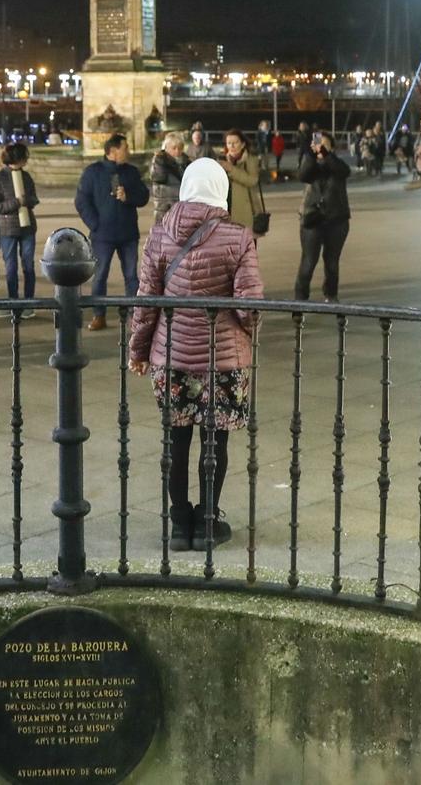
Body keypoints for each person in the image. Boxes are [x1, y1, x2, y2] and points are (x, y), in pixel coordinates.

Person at [129, 160, 263, 552]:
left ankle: (178, 523)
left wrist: (138, 350)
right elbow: (249, 309)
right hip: (221, 359)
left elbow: (146, 301)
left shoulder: (159, 234)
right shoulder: (238, 238)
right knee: (214, 440)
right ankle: (207, 521)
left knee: (176, 439)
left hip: (169, 356)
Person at [74, 134, 149, 331]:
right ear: (113, 151)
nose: (129, 151)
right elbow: (82, 201)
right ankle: (99, 315)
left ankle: (135, 315)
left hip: (128, 233)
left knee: (132, 276)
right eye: (126, 148)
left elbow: (143, 197)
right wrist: (95, 224)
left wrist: (129, 197)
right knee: (100, 276)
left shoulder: (131, 172)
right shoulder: (93, 172)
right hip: (103, 236)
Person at [294, 131, 352, 303]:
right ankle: (300, 297)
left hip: (337, 220)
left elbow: (343, 171)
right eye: (317, 143)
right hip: (312, 220)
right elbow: (303, 175)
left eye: (325, 144)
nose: (320, 146)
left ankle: (331, 294)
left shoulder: (337, 164)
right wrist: (312, 154)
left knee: (332, 262)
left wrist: (325, 154)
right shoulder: (309, 163)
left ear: (332, 147)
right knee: (308, 262)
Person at [0, 142, 41, 303]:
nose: (26, 159)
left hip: (27, 228)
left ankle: (29, 300)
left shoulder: (26, 176)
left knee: (28, 266)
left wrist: (28, 200)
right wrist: (17, 202)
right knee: (11, 267)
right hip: (7, 229)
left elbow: (34, 198)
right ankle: (13, 301)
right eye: (24, 156)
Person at [219, 129, 264, 233]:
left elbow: (252, 181)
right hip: (227, 211)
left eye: (235, 142)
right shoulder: (222, 161)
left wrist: (232, 170)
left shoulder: (251, 160)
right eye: (229, 143)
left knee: (247, 246)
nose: (232, 146)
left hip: (246, 212)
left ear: (243, 144)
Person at [149, 132, 188, 226]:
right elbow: (158, 177)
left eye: (180, 148)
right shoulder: (160, 160)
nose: (177, 151)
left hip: (180, 206)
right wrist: (170, 163)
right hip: (165, 207)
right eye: (174, 148)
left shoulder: (185, 161)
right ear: (166, 148)